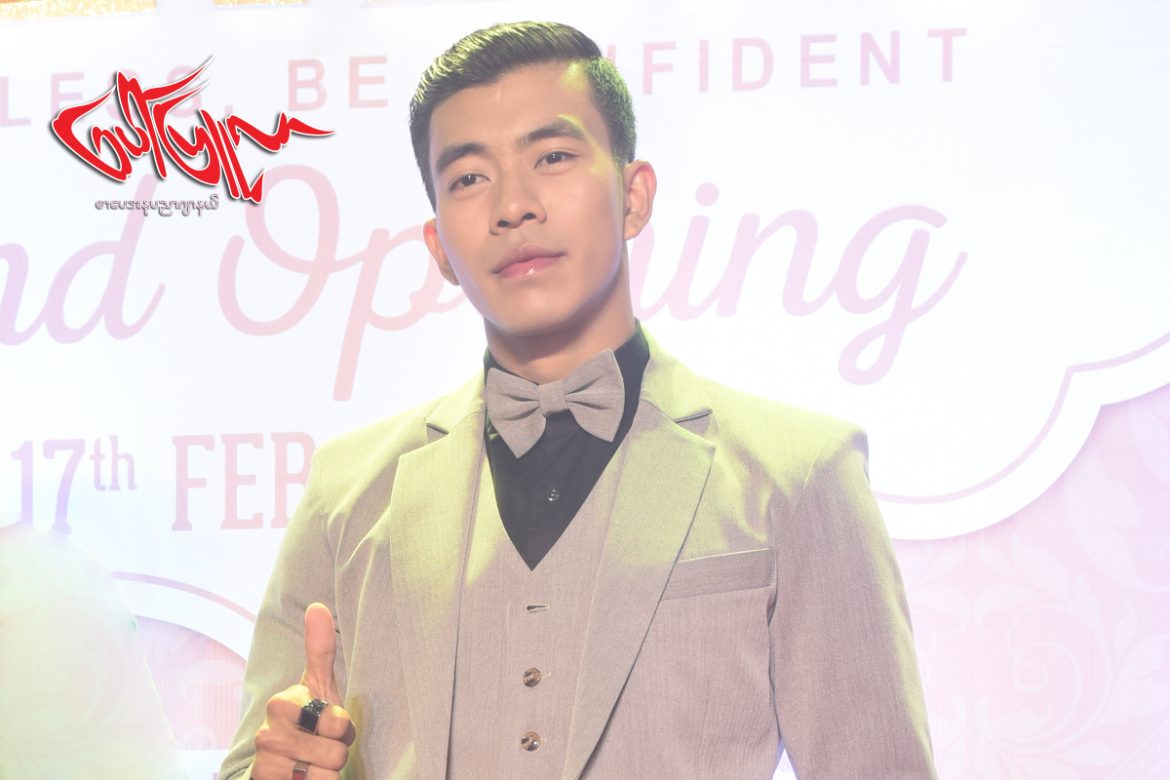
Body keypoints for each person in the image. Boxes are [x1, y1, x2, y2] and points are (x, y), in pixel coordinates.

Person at [220, 20, 937, 780]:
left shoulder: (799, 474)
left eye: (553, 157)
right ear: (439, 248)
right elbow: (252, 765)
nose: (513, 205)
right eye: (470, 178)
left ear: (633, 196)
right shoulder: (346, 493)